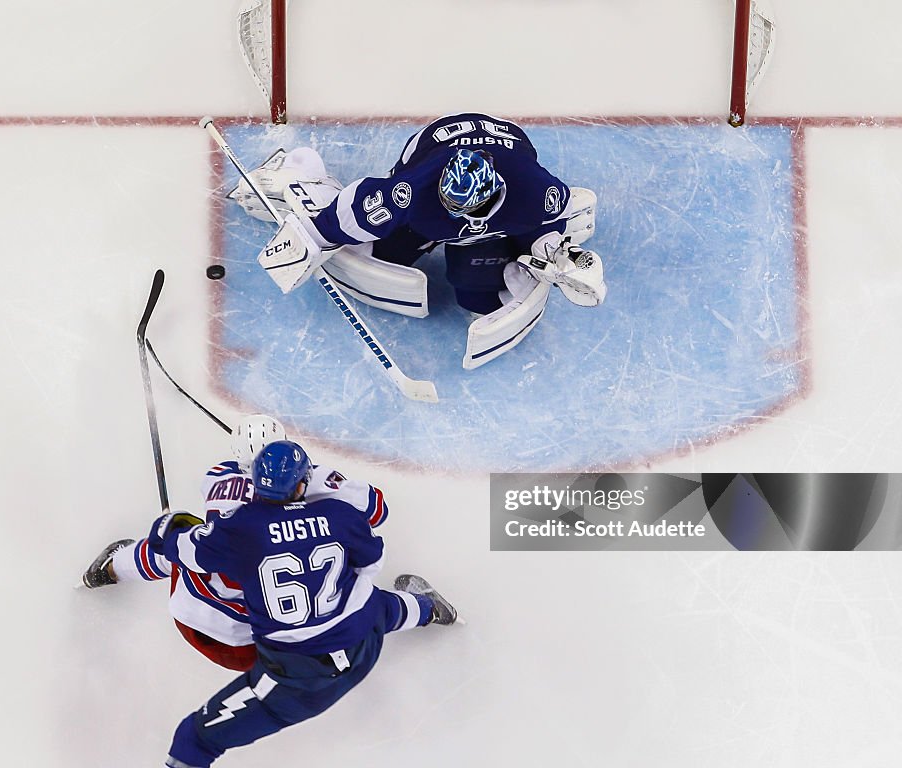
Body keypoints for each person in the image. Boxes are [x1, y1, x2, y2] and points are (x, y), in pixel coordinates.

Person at [148, 439, 458, 767]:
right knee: (378, 606)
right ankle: (429, 608)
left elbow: (185, 552)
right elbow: (371, 565)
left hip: (298, 681)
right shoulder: (338, 514)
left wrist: (166, 530)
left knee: (194, 739)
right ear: (301, 484)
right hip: (365, 642)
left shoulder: (238, 529)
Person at [231, 112, 607, 367]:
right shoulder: (413, 191)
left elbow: (547, 221)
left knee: (479, 297)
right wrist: (313, 234)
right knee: (384, 250)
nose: (459, 218)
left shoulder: (538, 191)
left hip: (508, 143)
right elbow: (357, 210)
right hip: (432, 143)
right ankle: (304, 175)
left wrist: (551, 252)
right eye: (450, 207)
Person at [80, 414, 391, 672]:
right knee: (335, 559)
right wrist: (321, 480)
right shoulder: (315, 486)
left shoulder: (217, 477)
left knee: (183, 542)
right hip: (267, 651)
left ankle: (111, 569)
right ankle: (418, 609)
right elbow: (377, 510)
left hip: (191, 620)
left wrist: (168, 533)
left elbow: (193, 540)